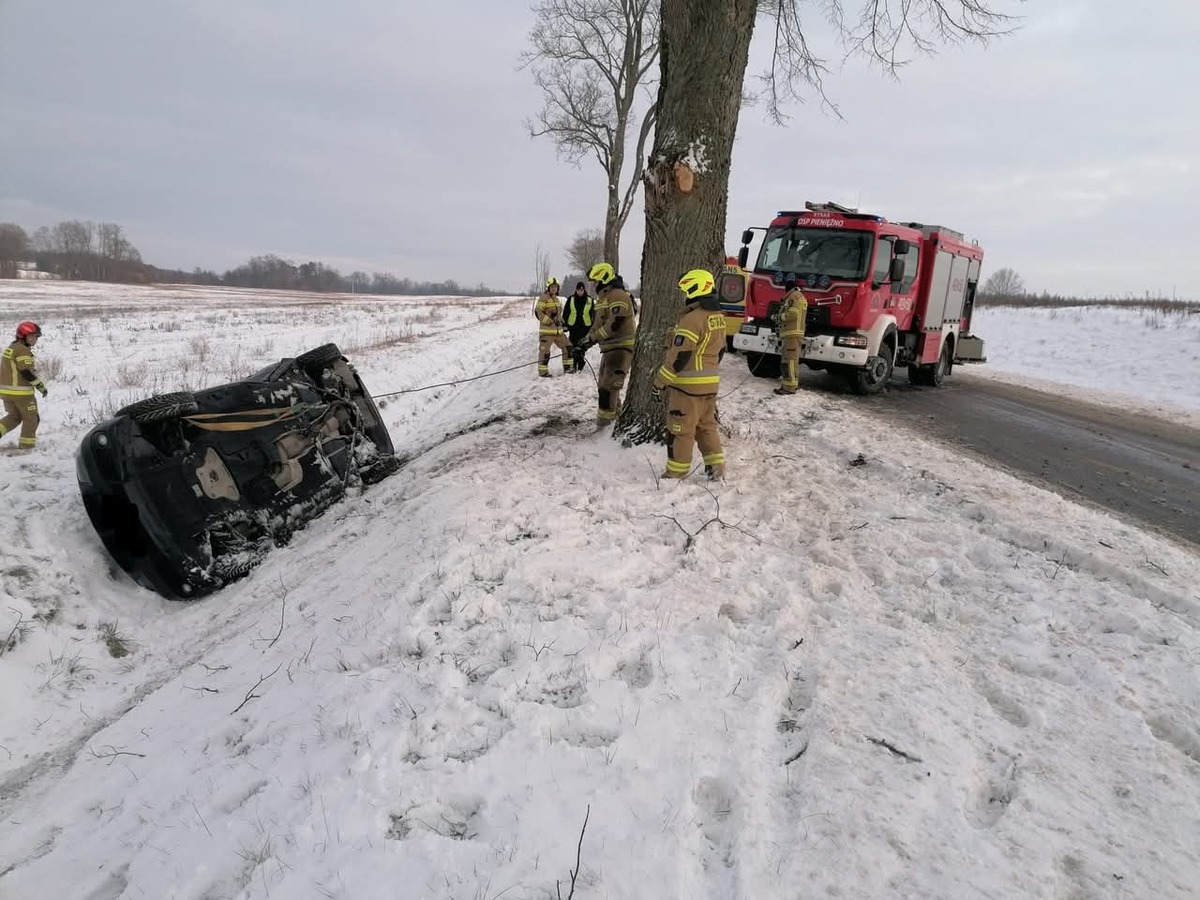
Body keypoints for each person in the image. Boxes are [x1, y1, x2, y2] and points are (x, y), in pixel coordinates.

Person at [652, 270, 726, 480]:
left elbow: (679, 357)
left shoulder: (691, 319)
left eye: (687, 290)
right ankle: (716, 469)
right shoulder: (718, 318)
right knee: (706, 428)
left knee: (680, 429)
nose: (685, 295)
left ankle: (675, 473)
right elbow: (721, 350)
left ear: (696, 289)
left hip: (687, 388)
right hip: (710, 386)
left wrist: (659, 382)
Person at [582, 262, 636, 424]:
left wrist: (593, 338)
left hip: (621, 348)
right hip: (610, 349)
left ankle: (605, 425)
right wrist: (585, 341)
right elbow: (598, 324)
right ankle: (615, 420)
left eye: (596, 281)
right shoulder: (603, 298)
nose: (594, 285)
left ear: (604, 279)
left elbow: (613, 324)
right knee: (605, 387)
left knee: (609, 388)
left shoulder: (618, 295)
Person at [0, 321, 48, 451]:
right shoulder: (22, 350)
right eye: (32, 336)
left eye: (37, 337)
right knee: (31, 419)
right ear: (23, 335)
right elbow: (25, 371)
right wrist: (40, 386)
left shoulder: (12, 347)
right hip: (21, 394)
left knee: (14, 417)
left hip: (6, 393)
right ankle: (27, 448)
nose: (35, 339)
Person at [532, 277, 573, 377]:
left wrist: (564, 323)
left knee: (568, 347)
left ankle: (568, 369)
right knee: (545, 352)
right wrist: (550, 321)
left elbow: (558, 316)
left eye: (556, 287)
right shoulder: (544, 298)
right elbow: (538, 312)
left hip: (558, 332)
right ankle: (543, 372)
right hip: (547, 332)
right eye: (552, 287)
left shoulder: (557, 300)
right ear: (548, 287)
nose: (554, 289)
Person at [775, 277, 808, 395]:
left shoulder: (794, 296)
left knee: (790, 361)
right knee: (787, 360)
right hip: (791, 334)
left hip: (792, 333)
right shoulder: (797, 296)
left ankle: (790, 388)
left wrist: (780, 317)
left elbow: (793, 313)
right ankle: (787, 385)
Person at [562, 281, 594, 373]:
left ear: (584, 290)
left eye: (582, 290)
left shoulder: (589, 300)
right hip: (573, 326)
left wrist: (593, 325)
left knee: (581, 346)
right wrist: (565, 325)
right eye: (578, 290)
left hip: (585, 327)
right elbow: (566, 312)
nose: (580, 291)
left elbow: (593, 314)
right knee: (573, 346)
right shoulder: (571, 299)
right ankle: (576, 364)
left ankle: (580, 363)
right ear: (576, 290)